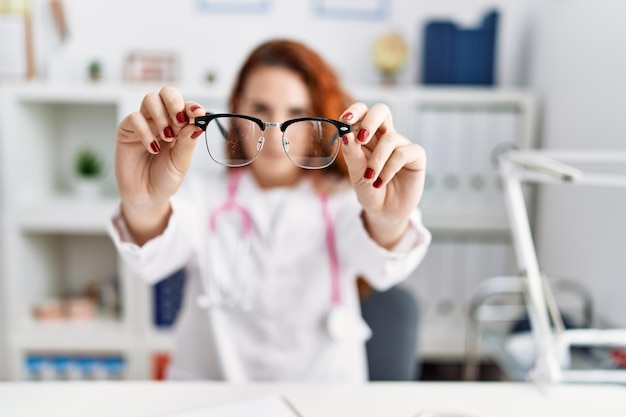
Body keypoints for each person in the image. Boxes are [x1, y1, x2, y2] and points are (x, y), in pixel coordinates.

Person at [108, 38, 431, 382]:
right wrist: (144, 203)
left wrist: (389, 217)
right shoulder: (202, 196)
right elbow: (151, 258)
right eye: (261, 109)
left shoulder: (345, 199)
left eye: (296, 113)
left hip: (321, 400)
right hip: (212, 399)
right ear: (236, 108)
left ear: (319, 118)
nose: (276, 132)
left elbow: (383, 266)